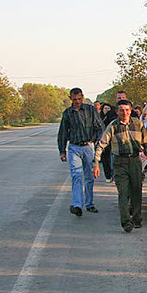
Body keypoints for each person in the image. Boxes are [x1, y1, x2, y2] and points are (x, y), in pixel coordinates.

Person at [93, 100, 147, 232]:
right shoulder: (113, 126)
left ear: (131, 110)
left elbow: (146, 142)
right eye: (121, 110)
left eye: (127, 110)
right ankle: (126, 221)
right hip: (119, 162)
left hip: (135, 161)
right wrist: (96, 163)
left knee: (136, 190)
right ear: (117, 112)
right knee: (123, 192)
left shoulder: (138, 124)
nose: (124, 113)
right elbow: (102, 144)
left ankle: (137, 218)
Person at [58, 87, 104, 216]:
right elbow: (62, 133)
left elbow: (100, 127)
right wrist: (62, 151)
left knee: (89, 177)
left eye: (79, 99)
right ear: (70, 99)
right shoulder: (67, 113)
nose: (77, 102)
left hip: (88, 146)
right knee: (76, 175)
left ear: (82, 97)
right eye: (74, 99)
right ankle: (77, 205)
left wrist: (98, 142)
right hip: (74, 147)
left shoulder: (90, 110)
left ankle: (89, 203)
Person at [100, 103, 117, 183]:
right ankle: (108, 175)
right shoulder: (99, 118)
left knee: (113, 159)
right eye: (105, 108)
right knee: (105, 159)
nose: (106, 110)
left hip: (112, 140)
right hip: (103, 141)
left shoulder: (113, 118)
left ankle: (114, 175)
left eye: (108, 108)